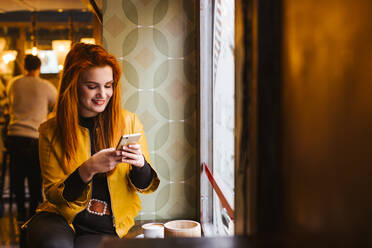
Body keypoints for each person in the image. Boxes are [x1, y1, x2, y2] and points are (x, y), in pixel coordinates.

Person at [24, 43, 160, 248]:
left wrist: (140, 164)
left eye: (108, 85)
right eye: (92, 86)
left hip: (104, 224)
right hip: (60, 218)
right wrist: (88, 169)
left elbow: (144, 185)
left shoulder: (129, 122)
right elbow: (53, 195)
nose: (102, 94)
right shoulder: (50, 130)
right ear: (74, 85)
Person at [6, 55, 57, 221]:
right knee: (35, 177)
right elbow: (56, 105)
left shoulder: (13, 83)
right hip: (35, 136)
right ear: (40, 67)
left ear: (23, 66)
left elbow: (11, 102)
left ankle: (20, 212)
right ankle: (34, 214)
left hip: (14, 136)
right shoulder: (47, 86)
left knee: (17, 177)